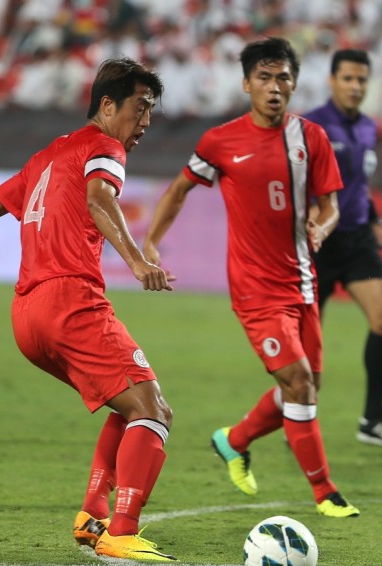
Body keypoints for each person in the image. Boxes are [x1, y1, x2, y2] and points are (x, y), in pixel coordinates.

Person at [0, 57, 177, 561]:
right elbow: (99, 198)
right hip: (70, 302)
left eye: (151, 112)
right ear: (106, 104)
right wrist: (139, 261)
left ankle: (92, 513)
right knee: (154, 411)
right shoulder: (105, 147)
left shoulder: (47, 156)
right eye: (140, 109)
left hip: (26, 316)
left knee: (127, 403)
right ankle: (120, 532)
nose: (145, 123)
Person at [143, 37, 359, 518]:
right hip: (254, 289)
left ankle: (234, 439)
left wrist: (320, 229)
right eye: (264, 77)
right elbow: (179, 190)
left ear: (295, 84)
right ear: (246, 84)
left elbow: (330, 207)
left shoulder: (313, 139)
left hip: (302, 282)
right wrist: (152, 242)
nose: (275, 86)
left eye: (283, 77)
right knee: (299, 383)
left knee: (306, 388)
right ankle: (325, 492)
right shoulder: (221, 141)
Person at [302, 49, 382, 450]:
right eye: (348, 78)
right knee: (308, 338)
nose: (355, 86)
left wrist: (374, 218)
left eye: (362, 80)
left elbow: (357, 187)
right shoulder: (311, 124)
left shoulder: (367, 127)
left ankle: (373, 418)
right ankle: (298, 415)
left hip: (357, 242)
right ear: (332, 81)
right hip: (317, 243)